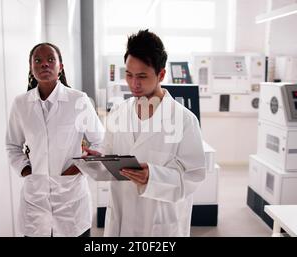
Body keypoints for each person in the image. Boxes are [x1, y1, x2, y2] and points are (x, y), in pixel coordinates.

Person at [84, 30, 207, 236]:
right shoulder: (117, 113)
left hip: (159, 223)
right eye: (129, 75)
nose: (134, 84)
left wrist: (153, 177)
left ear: (161, 74)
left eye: (142, 76)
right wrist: (99, 160)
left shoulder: (184, 120)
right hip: (122, 217)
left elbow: (193, 177)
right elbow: (110, 158)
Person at [6, 42, 104, 237]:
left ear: (61, 66)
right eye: (38, 60)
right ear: (31, 67)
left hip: (71, 200)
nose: (45, 64)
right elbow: (12, 145)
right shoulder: (21, 104)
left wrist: (79, 167)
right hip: (35, 202)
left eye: (51, 59)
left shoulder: (79, 100)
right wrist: (26, 170)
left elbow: (100, 141)